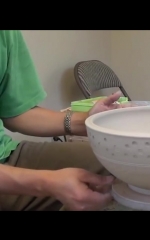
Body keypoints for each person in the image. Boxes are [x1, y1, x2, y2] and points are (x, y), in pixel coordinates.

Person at [0, 30, 126, 211]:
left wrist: (86, 120)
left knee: (121, 165)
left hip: (8, 155)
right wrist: (46, 183)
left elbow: (16, 113)